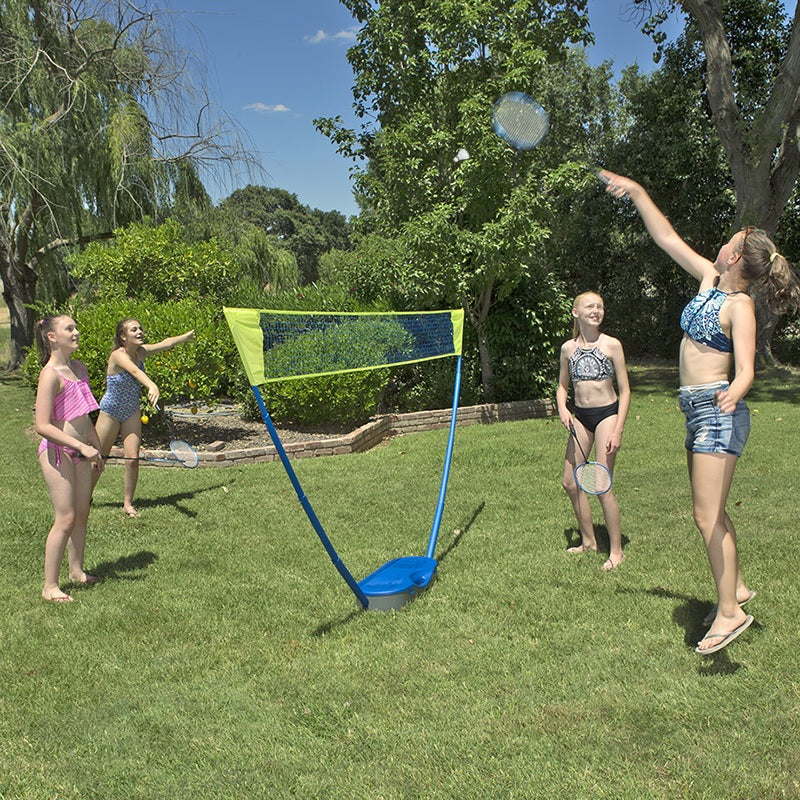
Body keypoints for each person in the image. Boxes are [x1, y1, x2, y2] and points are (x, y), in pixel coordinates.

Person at [601, 169, 800, 655]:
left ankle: (730, 613)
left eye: (727, 241)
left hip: (717, 411)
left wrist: (735, 390)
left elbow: (747, 369)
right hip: (698, 411)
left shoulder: (739, 306)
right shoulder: (709, 280)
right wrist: (640, 191)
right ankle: (736, 590)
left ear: (734, 257)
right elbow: (666, 237)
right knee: (713, 512)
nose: (719, 244)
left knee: (705, 515)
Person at [557, 291, 631, 571]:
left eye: (600, 306)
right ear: (576, 312)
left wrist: (618, 430)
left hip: (606, 416)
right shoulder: (568, 349)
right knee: (570, 482)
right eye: (590, 306)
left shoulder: (612, 345)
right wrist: (563, 409)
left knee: (601, 484)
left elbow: (625, 390)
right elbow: (563, 386)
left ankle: (616, 551)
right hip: (580, 417)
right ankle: (588, 541)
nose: (596, 310)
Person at [34, 315, 105, 602]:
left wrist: (96, 447)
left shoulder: (80, 369)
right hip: (57, 453)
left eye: (76, 327)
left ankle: (77, 572)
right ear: (52, 337)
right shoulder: (50, 375)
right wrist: (78, 445)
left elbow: (85, 416)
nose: (76, 332)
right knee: (65, 518)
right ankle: (49, 586)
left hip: (81, 451)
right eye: (69, 329)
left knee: (81, 513)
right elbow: (43, 425)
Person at [93, 319, 194, 517]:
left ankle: (128, 504)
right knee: (98, 458)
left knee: (132, 459)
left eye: (140, 329)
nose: (139, 332)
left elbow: (167, 343)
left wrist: (186, 337)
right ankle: (84, 497)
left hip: (131, 410)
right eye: (134, 329)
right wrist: (151, 385)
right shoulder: (118, 355)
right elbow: (134, 371)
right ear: (123, 336)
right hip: (110, 411)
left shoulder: (141, 352)